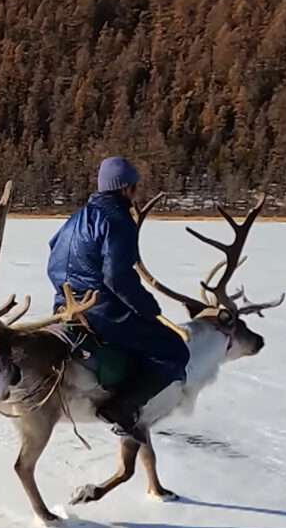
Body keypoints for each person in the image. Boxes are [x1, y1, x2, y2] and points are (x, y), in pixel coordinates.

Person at [46, 157, 190, 440]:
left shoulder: (76, 217)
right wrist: (146, 307)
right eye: (134, 187)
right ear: (124, 188)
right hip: (102, 311)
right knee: (174, 350)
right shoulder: (118, 220)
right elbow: (116, 277)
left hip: (66, 307)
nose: (136, 193)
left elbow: (54, 256)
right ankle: (121, 407)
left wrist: (68, 299)